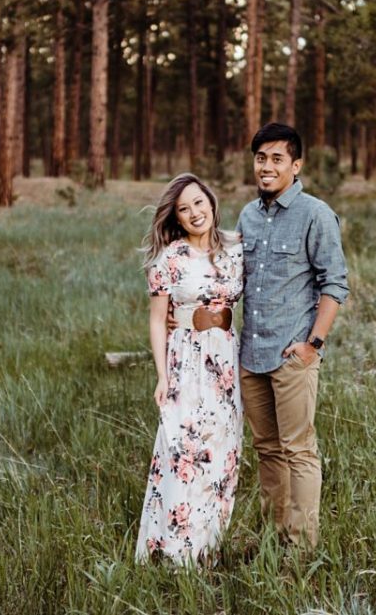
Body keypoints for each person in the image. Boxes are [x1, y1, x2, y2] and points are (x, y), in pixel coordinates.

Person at [237, 122, 348, 549]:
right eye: (260, 158)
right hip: (251, 355)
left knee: (298, 450)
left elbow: (334, 284)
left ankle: (300, 550)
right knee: (267, 449)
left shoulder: (315, 214)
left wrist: (312, 345)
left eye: (277, 159)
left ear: (296, 165)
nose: (266, 167)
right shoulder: (248, 216)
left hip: (292, 355)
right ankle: (274, 538)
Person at [135, 173, 245, 565]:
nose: (195, 213)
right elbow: (156, 320)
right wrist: (162, 376)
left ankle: (206, 549)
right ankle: (171, 552)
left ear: (212, 203)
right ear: (176, 218)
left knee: (221, 452)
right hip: (185, 361)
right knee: (182, 451)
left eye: (199, 203)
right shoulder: (169, 259)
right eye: (184, 209)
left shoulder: (237, 247)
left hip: (226, 362)